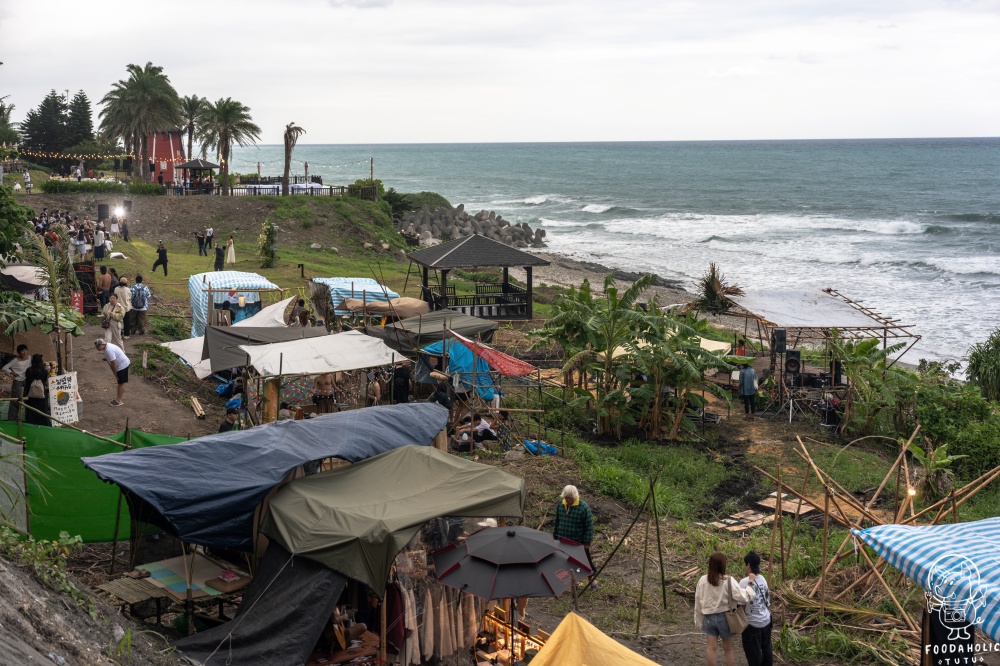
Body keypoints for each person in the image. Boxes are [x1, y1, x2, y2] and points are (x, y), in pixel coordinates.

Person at [694, 552, 756, 666]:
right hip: (725, 618)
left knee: (711, 648)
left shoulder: (702, 580)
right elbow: (744, 596)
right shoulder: (728, 580)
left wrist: (698, 620)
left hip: (708, 617)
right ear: (723, 565)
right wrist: (750, 583)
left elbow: (698, 601)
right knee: (728, 649)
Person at [552, 485, 596, 584]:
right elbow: (557, 521)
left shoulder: (583, 507)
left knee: (585, 561)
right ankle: (570, 582)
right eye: (566, 498)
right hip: (563, 540)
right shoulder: (560, 504)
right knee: (565, 562)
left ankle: (593, 581)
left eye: (570, 498)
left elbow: (588, 525)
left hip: (577, 541)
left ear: (575, 497)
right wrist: (555, 536)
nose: (568, 500)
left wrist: (587, 541)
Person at [739, 552, 773, 666]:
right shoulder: (763, 579)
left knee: (753, 655)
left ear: (748, 565)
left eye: (745, 564)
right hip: (766, 621)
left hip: (753, 624)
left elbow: (742, 605)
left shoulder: (744, 582)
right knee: (767, 650)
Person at [95, 339, 130, 406]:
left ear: (102, 345)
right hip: (119, 364)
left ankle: (119, 401)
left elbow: (113, 363)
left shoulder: (108, 350)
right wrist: (115, 373)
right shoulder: (105, 348)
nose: (97, 348)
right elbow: (110, 362)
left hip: (123, 365)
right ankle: (118, 399)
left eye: (98, 346)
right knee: (120, 382)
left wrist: (116, 373)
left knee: (121, 383)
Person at [3, 344, 31, 421]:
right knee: (15, 400)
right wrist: (12, 372)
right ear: (19, 353)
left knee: (27, 399)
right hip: (18, 381)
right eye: (22, 351)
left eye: (25, 350)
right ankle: (12, 419)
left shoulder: (29, 358)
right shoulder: (15, 360)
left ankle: (28, 418)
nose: (24, 352)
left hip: (27, 380)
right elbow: (4, 368)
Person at [22, 354, 51, 426]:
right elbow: (44, 382)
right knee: (42, 411)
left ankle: (31, 424)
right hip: (42, 394)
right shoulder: (44, 370)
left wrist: (25, 393)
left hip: (31, 394)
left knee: (31, 411)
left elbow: (27, 382)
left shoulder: (29, 370)